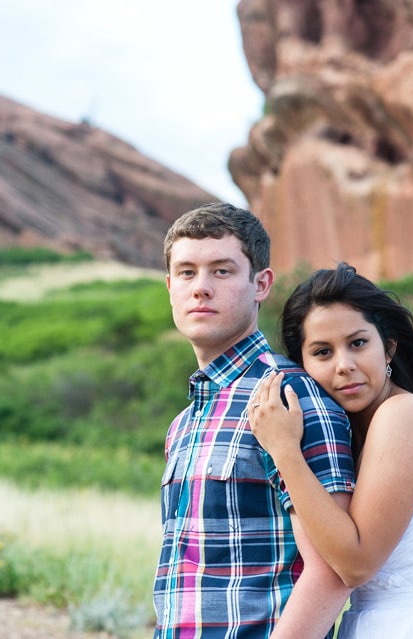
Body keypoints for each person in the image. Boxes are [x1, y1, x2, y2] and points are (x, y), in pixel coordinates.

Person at [249, 262, 413, 638]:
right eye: (323, 352)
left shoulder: (408, 415)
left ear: (388, 348)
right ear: (303, 365)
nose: (344, 366)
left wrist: (285, 452)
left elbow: (355, 564)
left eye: (358, 343)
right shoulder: (356, 437)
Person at [153, 203, 357, 639]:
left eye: (222, 271)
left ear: (261, 284)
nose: (201, 288)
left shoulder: (289, 396)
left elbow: (334, 571)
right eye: (187, 273)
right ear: (170, 286)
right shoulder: (183, 423)